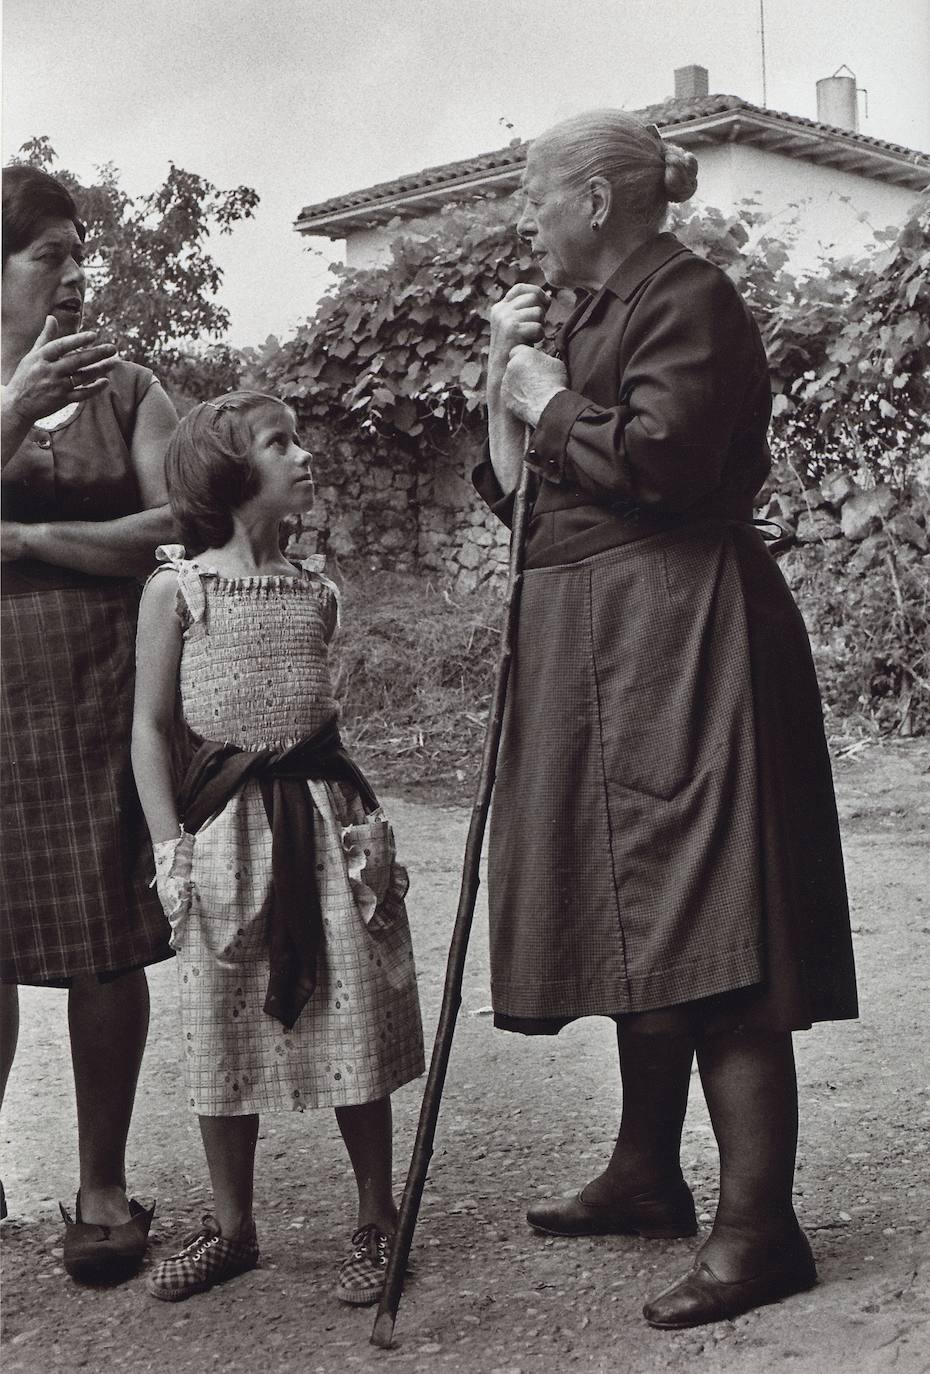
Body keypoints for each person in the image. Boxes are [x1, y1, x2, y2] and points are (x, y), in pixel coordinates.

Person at [476, 110, 858, 1329]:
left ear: (595, 197)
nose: (522, 216)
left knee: (712, 905)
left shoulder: (692, 300)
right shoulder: (577, 319)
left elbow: (664, 467)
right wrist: (507, 383)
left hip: (687, 628)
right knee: (634, 897)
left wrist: (542, 403)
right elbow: (524, 505)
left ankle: (764, 1231)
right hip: (600, 631)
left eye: (533, 193)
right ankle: (647, 1173)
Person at [131, 391, 425, 1305]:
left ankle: (376, 1217)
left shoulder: (317, 593)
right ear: (227, 472)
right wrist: (168, 845)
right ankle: (232, 1226)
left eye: (301, 439)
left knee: (353, 1016)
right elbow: (149, 728)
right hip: (225, 835)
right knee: (221, 1025)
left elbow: (318, 721)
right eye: (280, 444)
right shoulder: (179, 592)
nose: (305, 456)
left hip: (325, 824)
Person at [0, 164, 177, 1275]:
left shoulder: (129, 386)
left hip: (99, 680)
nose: (71, 276)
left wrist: (25, 543)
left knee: (107, 936)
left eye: (77, 255)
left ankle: (101, 1183)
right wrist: (14, 405)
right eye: (44, 256)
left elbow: (184, 512)